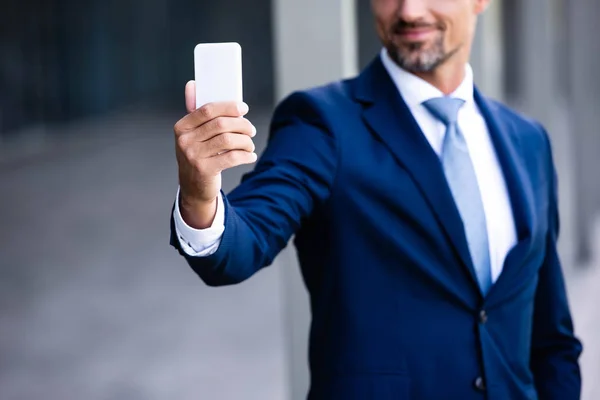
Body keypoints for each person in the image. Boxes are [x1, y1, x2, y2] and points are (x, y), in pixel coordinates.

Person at [170, 0, 582, 398]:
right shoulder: (322, 123)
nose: (409, 11)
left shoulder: (527, 141)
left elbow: (551, 336)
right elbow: (245, 240)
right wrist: (200, 194)